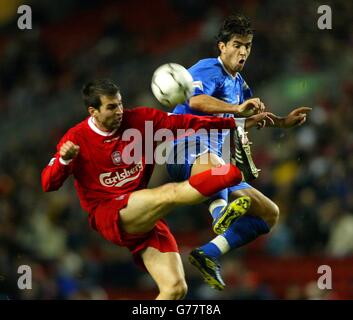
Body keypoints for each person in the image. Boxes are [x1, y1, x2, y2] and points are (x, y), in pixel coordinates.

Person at [41, 78, 269, 300]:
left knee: (175, 289)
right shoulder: (76, 138)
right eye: (111, 107)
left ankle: (223, 185)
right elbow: (48, 184)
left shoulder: (140, 119)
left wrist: (237, 123)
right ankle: (225, 182)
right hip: (108, 212)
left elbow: (189, 123)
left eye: (120, 103)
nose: (119, 110)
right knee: (168, 194)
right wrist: (63, 161)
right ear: (93, 112)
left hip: (141, 213)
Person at [166, 13, 312, 290]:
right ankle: (220, 211)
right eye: (236, 44)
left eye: (247, 45)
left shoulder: (239, 83)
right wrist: (235, 110)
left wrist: (282, 121)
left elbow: (245, 118)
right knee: (222, 166)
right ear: (222, 46)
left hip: (214, 163)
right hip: (182, 147)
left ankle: (208, 252)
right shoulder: (208, 68)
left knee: (269, 213)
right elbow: (195, 100)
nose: (243, 51)